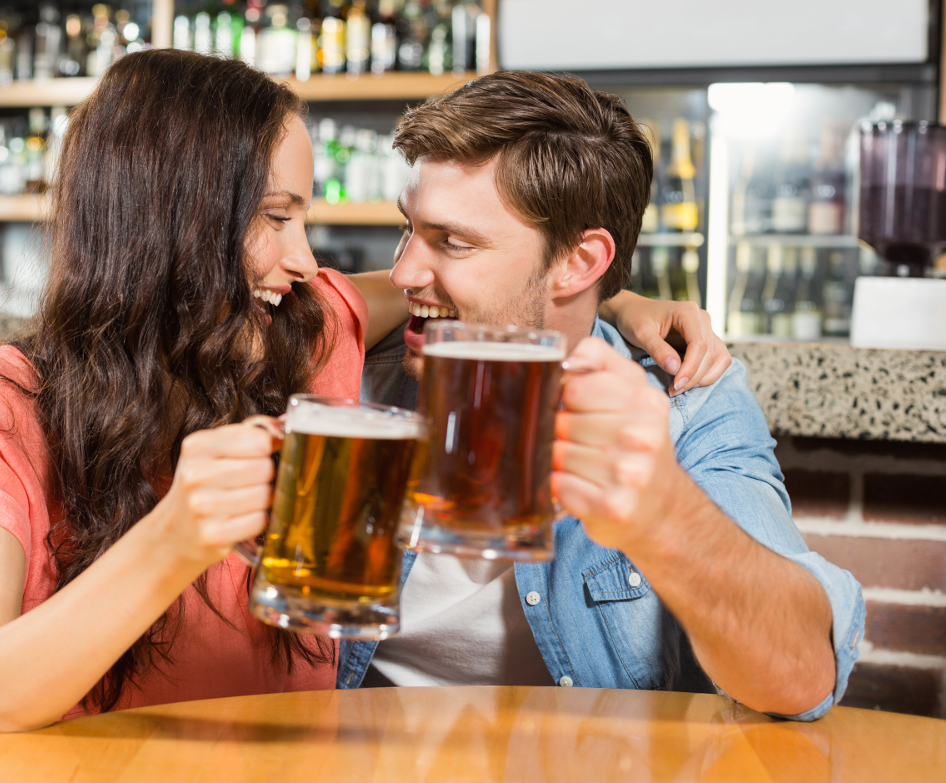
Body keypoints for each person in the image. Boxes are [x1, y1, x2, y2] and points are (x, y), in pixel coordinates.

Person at [0, 51, 729, 741]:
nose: (306, 259)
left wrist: (612, 299)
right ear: (172, 222)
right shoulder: (1, 399)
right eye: (277, 217)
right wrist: (173, 539)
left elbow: (469, 288)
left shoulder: (297, 339)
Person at [343, 71, 865, 721]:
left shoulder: (684, 400)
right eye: (409, 229)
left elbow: (801, 675)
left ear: (580, 262)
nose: (404, 272)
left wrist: (660, 514)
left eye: (453, 242)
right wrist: (615, 299)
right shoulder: (352, 371)